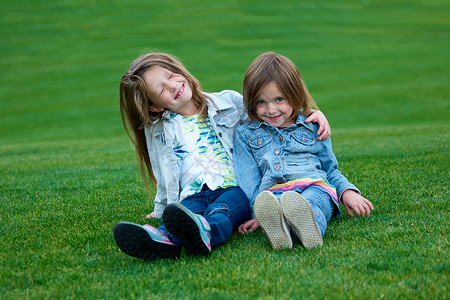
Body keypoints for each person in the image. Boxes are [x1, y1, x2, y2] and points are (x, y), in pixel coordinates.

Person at [113, 52, 331, 260]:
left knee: (221, 212)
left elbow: (267, 118)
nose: (172, 86)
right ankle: (161, 241)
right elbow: (163, 174)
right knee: (182, 214)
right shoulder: (160, 131)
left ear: (178, 70)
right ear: (155, 107)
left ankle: (206, 232)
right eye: (161, 90)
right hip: (192, 193)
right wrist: (161, 208)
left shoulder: (228, 102)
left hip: (232, 189)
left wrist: (310, 114)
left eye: (170, 76)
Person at [234, 52, 374, 250]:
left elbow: (330, 170)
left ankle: (309, 228)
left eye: (279, 99)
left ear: (294, 94)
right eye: (261, 102)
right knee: (279, 205)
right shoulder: (246, 134)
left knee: (312, 204)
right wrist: (257, 211)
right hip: (275, 194)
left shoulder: (312, 126)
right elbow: (249, 180)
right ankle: (281, 227)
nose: (271, 109)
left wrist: (347, 191)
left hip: (315, 187)